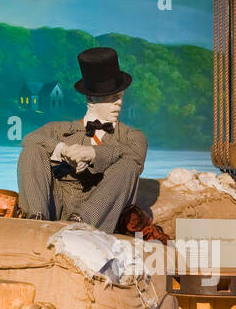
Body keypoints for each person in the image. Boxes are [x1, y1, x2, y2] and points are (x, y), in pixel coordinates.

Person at [16, 47, 147, 233]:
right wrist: (62, 150)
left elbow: (136, 155)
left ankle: (80, 223)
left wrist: (93, 153)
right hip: (57, 202)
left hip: (101, 212)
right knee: (32, 149)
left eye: (119, 96)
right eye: (110, 97)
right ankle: (36, 218)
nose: (118, 102)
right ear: (91, 99)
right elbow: (29, 139)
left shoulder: (133, 136)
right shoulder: (60, 129)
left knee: (129, 165)